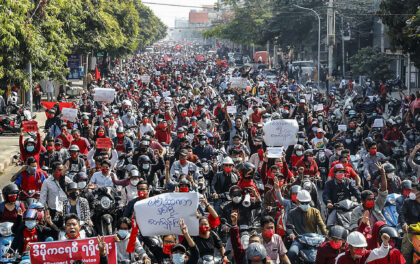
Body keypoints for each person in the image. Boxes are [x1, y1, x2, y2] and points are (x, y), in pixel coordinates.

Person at [286, 190, 327, 262]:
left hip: (315, 240)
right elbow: (288, 226)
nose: (305, 204)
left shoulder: (315, 211)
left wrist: (327, 234)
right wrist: (291, 234)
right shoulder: (292, 213)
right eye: (302, 203)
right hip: (299, 240)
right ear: (297, 201)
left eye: (307, 202)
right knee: (291, 253)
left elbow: (322, 225)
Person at [350, 162, 388, 230]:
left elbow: (383, 190)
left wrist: (383, 173)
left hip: (379, 235)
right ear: (362, 201)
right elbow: (353, 227)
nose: (372, 201)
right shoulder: (356, 211)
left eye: (373, 199)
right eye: (369, 199)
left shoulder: (377, 205)